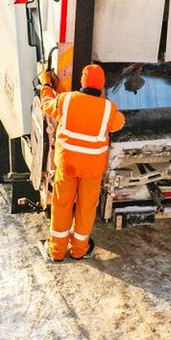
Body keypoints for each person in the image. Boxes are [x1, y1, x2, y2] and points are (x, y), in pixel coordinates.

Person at [44, 62, 124, 261]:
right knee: (86, 208)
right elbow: (119, 123)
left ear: (82, 81)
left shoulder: (66, 100)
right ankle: (79, 250)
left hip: (67, 165)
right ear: (102, 86)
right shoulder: (107, 109)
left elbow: (48, 105)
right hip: (91, 169)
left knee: (62, 205)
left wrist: (47, 85)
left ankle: (56, 252)